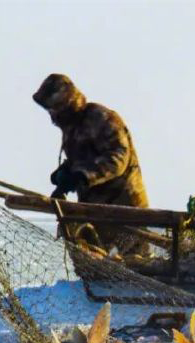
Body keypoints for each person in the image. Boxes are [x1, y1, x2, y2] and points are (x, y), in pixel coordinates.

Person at [32, 74, 148, 255]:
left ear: (66, 104)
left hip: (124, 208)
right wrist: (64, 174)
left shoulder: (102, 119)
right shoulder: (72, 128)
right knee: (97, 259)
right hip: (95, 210)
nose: (52, 115)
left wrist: (82, 176)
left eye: (54, 109)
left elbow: (118, 159)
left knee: (135, 262)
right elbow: (80, 159)